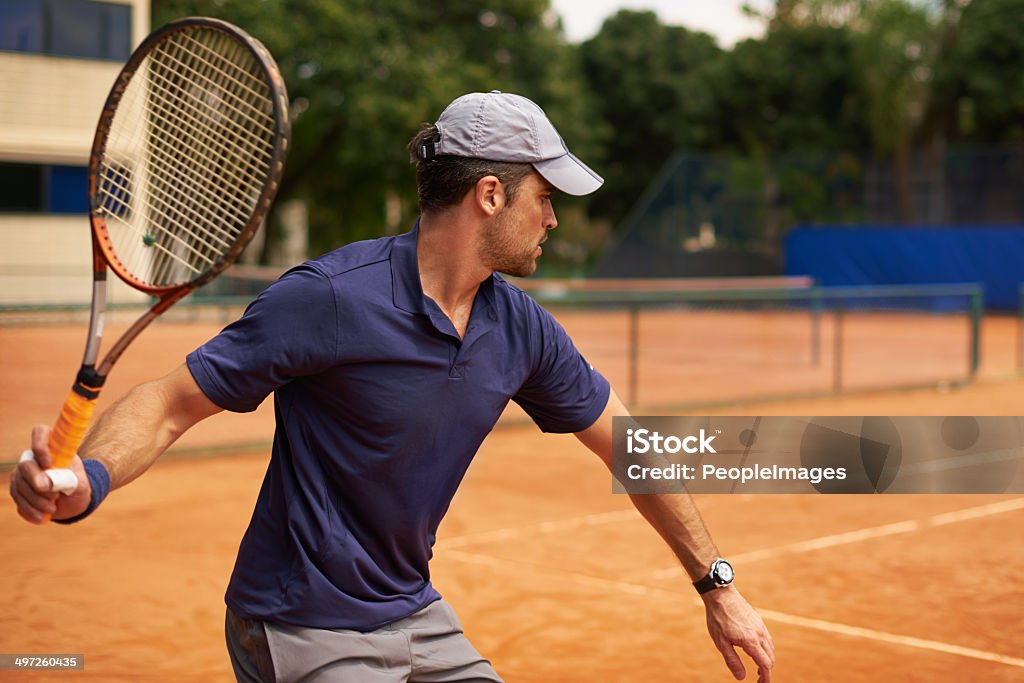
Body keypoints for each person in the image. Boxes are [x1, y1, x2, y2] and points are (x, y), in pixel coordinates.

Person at [11, 91, 775, 683]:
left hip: (410, 608)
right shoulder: (332, 297)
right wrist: (90, 475)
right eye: (545, 197)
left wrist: (717, 583)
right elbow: (170, 401)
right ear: (488, 195)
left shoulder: (521, 329)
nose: (554, 219)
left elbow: (630, 446)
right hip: (300, 617)